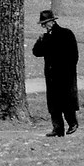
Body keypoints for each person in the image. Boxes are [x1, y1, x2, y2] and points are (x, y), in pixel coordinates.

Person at [32, 9, 79, 137]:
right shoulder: (46, 37)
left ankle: (72, 123)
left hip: (65, 74)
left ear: (52, 22)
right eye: (42, 24)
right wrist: (39, 41)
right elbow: (36, 52)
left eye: (45, 23)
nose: (43, 26)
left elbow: (74, 55)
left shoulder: (66, 33)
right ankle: (57, 128)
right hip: (52, 75)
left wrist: (69, 70)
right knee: (54, 104)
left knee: (67, 101)